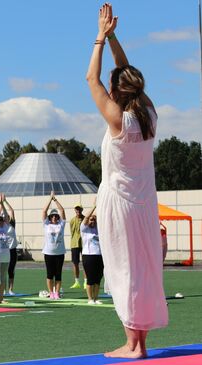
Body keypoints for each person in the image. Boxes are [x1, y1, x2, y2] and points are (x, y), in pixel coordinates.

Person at [86, 3, 167, 358]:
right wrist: (114, 35)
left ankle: (133, 346)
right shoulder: (148, 113)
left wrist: (100, 38)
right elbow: (125, 72)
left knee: (123, 270)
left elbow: (92, 79)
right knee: (143, 269)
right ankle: (140, 342)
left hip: (119, 204)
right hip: (145, 202)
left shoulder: (118, 118)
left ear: (118, 91)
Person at [41, 191, 66, 300]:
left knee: (58, 274)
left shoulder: (61, 224)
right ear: (50, 218)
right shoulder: (46, 225)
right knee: (50, 274)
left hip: (60, 252)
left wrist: (55, 200)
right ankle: (51, 292)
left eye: (56, 216)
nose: (54, 217)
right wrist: (50, 199)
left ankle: (57, 293)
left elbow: (62, 210)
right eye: (52, 216)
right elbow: (44, 211)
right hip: (49, 252)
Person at [81, 204, 103, 305]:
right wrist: (94, 206)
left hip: (99, 255)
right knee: (90, 278)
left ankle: (96, 298)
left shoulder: (98, 229)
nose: (92, 221)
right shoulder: (84, 229)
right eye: (90, 220)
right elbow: (85, 218)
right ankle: (90, 299)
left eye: (93, 220)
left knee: (98, 278)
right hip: (88, 256)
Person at [0, 194, 19, 295]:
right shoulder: (3, 226)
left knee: (11, 270)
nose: (7, 217)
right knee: (3, 270)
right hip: (5, 250)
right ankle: (3, 289)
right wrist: (0, 203)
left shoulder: (12, 224)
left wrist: (5, 201)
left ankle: (11, 289)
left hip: (13, 250)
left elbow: (12, 211)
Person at [69, 205, 85, 289]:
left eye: (79, 209)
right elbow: (72, 232)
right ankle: (77, 281)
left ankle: (86, 281)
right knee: (75, 263)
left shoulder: (85, 219)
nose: (78, 210)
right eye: (76, 209)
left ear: (82, 209)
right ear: (74, 210)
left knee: (85, 263)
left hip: (84, 244)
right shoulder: (72, 220)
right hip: (74, 244)